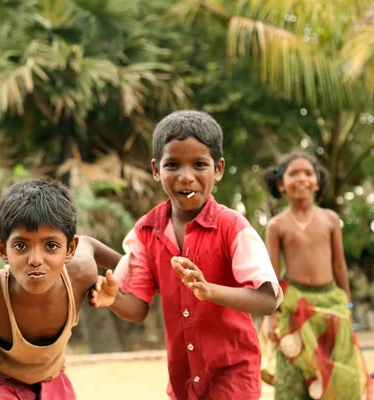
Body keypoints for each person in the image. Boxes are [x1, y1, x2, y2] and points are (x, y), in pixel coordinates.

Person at [90, 110, 283, 400]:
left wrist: (209, 291)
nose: (186, 177)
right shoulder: (146, 231)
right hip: (183, 380)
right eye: (173, 165)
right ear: (156, 170)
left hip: (233, 373)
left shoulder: (233, 228)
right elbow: (138, 307)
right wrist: (114, 299)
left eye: (199, 165)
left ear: (218, 169)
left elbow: (268, 300)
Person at [0, 179, 121, 400]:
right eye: (21, 246)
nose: (35, 259)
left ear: (70, 248)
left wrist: (115, 295)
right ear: (2, 249)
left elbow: (139, 289)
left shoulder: (81, 274)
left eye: (51, 245)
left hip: (52, 384)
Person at [261, 151, 370, 399]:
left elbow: (340, 266)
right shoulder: (277, 225)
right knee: (294, 371)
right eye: (294, 173)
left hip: (331, 304)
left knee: (337, 374)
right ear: (281, 184)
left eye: (308, 173)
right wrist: (271, 316)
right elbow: (272, 272)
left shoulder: (330, 220)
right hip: (294, 306)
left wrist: (348, 305)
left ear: (317, 182)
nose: (302, 178)